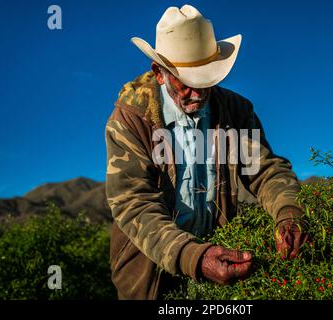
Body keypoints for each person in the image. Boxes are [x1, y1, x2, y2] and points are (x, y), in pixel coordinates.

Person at [105, 4, 309, 300]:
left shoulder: (235, 111)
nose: (198, 93)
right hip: (149, 273)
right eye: (186, 83)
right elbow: (133, 203)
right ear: (159, 73)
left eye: (207, 80)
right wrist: (195, 257)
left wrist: (289, 214)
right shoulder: (130, 120)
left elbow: (266, 170)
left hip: (221, 257)